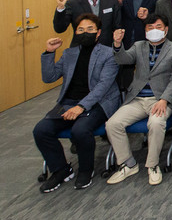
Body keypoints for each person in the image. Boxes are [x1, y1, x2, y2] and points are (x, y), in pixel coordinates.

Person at [33, 14, 120, 192]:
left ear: (98, 33)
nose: (85, 32)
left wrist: (81, 107)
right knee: (41, 130)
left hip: (98, 103)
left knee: (80, 130)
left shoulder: (108, 53)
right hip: (69, 103)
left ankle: (86, 170)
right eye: (80, 29)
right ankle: (61, 170)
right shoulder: (69, 53)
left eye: (90, 29)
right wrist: (49, 52)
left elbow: (103, 86)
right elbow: (49, 77)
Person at [105, 14, 172, 186]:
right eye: (150, 27)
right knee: (112, 124)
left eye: (158, 27)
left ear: (166, 29)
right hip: (137, 99)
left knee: (155, 123)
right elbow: (123, 59)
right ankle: (128, 164)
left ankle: (152, 165)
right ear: (145, 30)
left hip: (161, 99)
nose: (154, 30)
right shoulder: (138, 46)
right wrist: (117, 44)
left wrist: (164, 99)